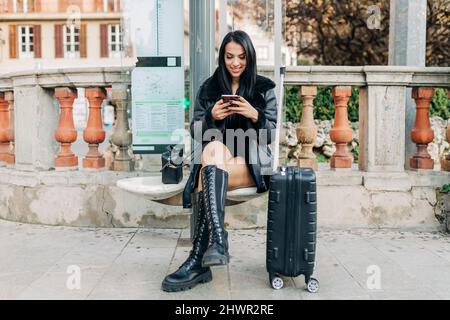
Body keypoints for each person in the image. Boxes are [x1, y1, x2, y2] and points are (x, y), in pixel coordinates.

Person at [161, 30, 278, 292]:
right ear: (222, 57)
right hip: (218, 158)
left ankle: (197, 261)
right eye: (229, 56)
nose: (235, 63)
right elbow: (197, 133)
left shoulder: (264, 88)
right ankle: (218, 239)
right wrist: (212, 116)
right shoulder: (209, 88)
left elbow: (269, 134)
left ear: (250, 57)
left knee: (207, 175)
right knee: (213, 149)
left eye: (241, 57)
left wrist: (255, 114)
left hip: (251, 163)